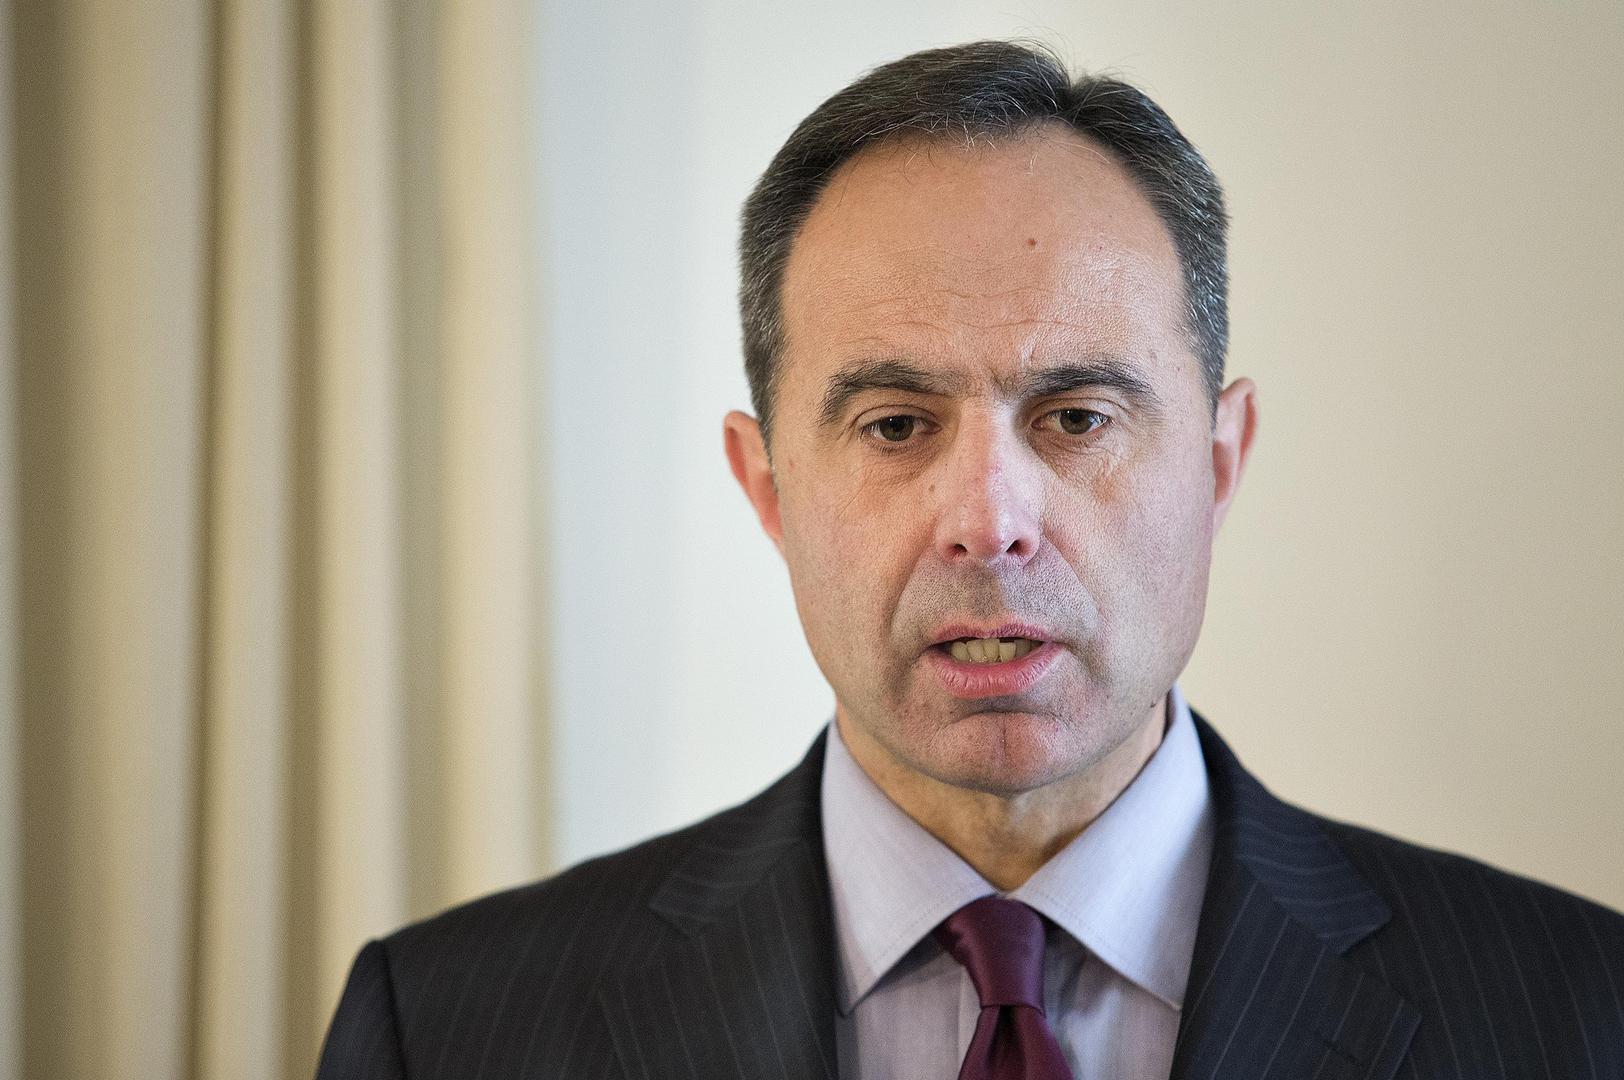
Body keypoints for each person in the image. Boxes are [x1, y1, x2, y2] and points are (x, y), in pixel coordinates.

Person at [315, 40, 1624, 1080]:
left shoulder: (1578, 1012)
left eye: (1078, 418)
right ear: (767, 487)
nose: (989, 520)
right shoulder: (446, 1029)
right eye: (895, 425)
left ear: (1220, 463)